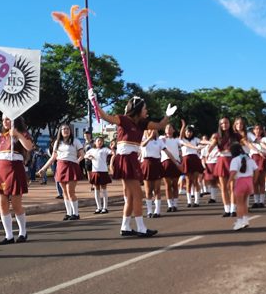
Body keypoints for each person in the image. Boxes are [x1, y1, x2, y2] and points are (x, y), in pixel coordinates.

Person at [91, 91, 176, 237]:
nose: (147, 111)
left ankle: (125, 227)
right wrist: (94, 101)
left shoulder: (143, 123)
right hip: (125, 158)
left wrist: (167, 115)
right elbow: (105, 116)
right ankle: (141, 228)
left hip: (133, 158)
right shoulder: (122, 119)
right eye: (145, 108)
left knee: (131, 196)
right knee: (137, 194)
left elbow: (161, 125)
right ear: (137, 109)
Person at [37, 124, 84, 220]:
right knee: (64, 192)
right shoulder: (57, 143)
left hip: (71, 166)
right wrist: (43, 168)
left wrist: (76, 162)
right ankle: (68, 213)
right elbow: (53, 157)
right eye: (64, 129)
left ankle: (76, 213)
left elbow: (82, 155)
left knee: (70, 191)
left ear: (70, 131)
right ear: (60, 131)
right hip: (61, 166)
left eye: (67, 129)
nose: (66, 131)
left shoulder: (75, 141)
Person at [208, 117, 243, 217]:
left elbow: (241, 146)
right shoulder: (217, 136)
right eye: (222, 123)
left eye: (226, 123)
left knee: (233, 187)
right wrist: (208, 151)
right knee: (223, 187)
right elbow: (211, 146)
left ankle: (233, 209)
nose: (224, 125)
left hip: (233, 161)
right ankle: (227, 209)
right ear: (219, 125)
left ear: (229, 124)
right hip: (222, 161)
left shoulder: (236, 135)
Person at [228, 142, 258, 230]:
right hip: (249, 182)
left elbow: (233, 172)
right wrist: (254, 180)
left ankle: (239, 222)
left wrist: (228, 182)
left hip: (240, 182)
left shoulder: (235, 160)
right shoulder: (249, 159)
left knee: (239, 204)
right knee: (244, 203)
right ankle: (245, 220)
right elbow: (257, 170)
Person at [180, 122, 205, 207]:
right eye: (187, 131)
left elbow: (202, 142)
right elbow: (180, 135)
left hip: (194, 160)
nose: (188, 133)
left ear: (192, 132)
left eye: (190, 132)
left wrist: (210, 142)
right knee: (188, 181)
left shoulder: (195, 139)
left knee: (195, 181)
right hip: (186, 160)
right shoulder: (182, 140)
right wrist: (183, 126)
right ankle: (189, 201)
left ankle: (197, 201)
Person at [85, 137, 113, 214]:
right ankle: (98, 207)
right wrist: (88, 156)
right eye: (98, 141)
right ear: (95, 142)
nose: (100, 142)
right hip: (95, 171)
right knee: (96, 190)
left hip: (103, 171)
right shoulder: (91, 150)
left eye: (101, 141)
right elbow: (84, 155)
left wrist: (112, 148)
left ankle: (105, 207)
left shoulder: (105, 149)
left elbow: (113, 153)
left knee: (104, 190)